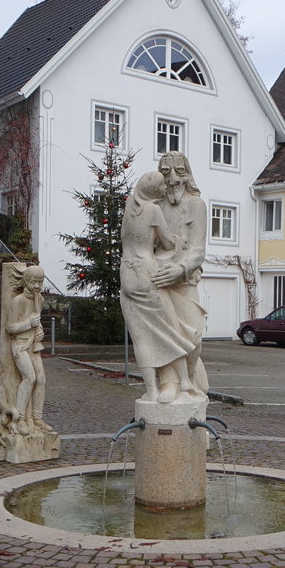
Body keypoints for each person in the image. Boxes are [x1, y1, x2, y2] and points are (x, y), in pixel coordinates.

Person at [119, 169, 198, 402]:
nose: (166, 189)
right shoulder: (153, 210)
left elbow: (126, 237)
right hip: (146, 273)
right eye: (162, 187)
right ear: (155, 190)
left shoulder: (129, 208)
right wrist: (180, 242)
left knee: (141, 337)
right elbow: (166, 240)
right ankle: (183, 380)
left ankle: (151, 391)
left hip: (127, 275)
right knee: (170, 327)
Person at [151, 151, 209, 398]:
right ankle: (169, 383)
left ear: (187, 175)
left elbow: (198, 250)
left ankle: (192, 377)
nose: (172, 178)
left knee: (194, 335)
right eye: (166, 172)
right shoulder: (155, 207)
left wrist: (181, 269)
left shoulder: (196, 206)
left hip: (184, 280)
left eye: (178, 172)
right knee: (163, 335)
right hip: (159, 280)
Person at [4, 264, 52, 434]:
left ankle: (37, 418)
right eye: (34, 282)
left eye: (40, 282)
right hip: (20, 345)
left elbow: (37, 323)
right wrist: (28, 324)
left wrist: (40, 332)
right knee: (29, 377)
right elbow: (10, 328)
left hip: (33, 345)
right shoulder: (18, 301)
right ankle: (21, 418)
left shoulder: (40, 299)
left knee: (41, 379)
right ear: (25, 282)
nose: (37, 286)